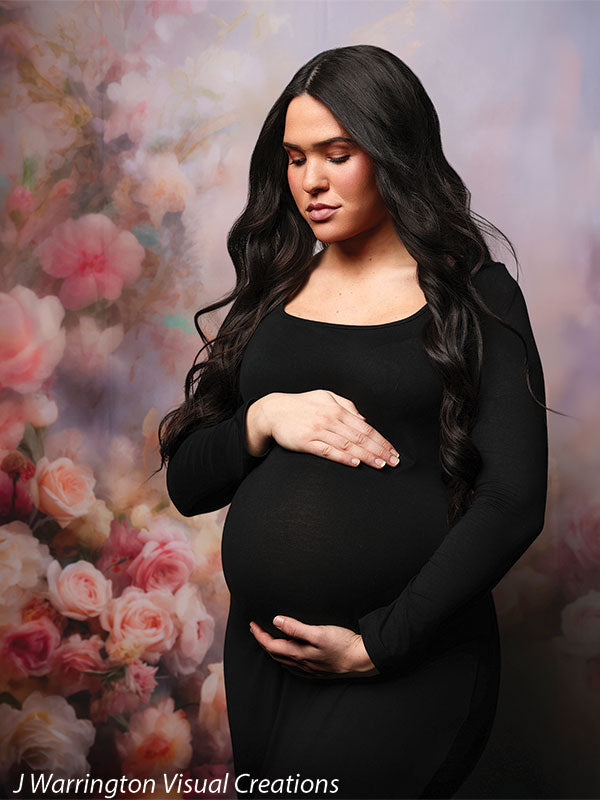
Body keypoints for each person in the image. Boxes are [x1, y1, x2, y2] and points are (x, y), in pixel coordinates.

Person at [159, 44, 549, 800]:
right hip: (264, 664)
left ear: (393, 152)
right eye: (297, 157)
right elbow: (186, 481)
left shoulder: (477, 297)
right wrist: (264, 418)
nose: (310, 181)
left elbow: (513, 503)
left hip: (407, 662)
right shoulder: (275, 291)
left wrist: (381, 643)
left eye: (338, 154)